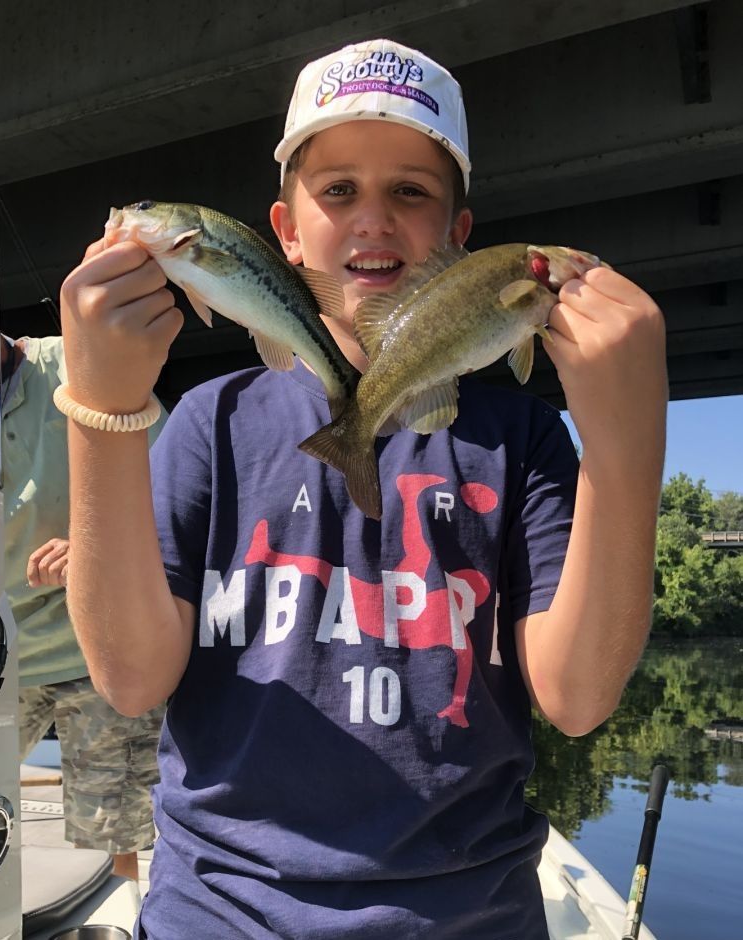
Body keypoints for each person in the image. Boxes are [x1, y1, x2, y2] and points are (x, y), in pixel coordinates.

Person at [57, 38, 667, 938]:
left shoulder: (526, 439)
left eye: (411, 192)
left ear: (462, 240)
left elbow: (578, 699)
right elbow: (130, 679)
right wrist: (101, 407)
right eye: (337, 190)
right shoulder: (207, 423)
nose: (373, 219)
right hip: (219, 916)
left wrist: (626, 449)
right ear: (287, 231)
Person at [0, 217, 167, 882]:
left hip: (96, 656)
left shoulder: (79, 366)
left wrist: (99, 543)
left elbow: (178, 490)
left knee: (114, 838)